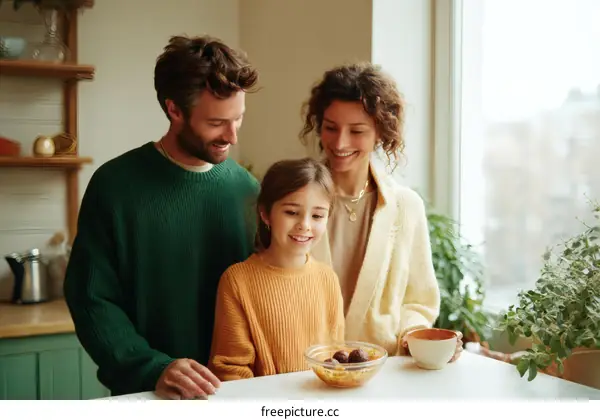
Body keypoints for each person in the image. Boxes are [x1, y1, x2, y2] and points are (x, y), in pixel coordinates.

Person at [63, 35, 260, 400]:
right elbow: (91, 298)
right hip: (149, 396)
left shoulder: (247, 190)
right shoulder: (115, 186)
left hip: (236, 395)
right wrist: (151, 367)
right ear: (174, 110)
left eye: (239, 119)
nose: (231, 136)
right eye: (216, 122)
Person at [299, 62, 463, 361]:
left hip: (380, 371)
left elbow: (418, 301)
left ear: (380, 133)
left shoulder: (405, 206)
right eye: (330, 127)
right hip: (304, 368)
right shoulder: (293, 201)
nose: (340, 142)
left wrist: (415, 336)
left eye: (357, 130)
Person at [208, 158, 345, 381]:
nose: (305, 225)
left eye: (318, 215)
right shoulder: (237, 280)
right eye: (291, 212)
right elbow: (230, 370)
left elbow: (334, 359)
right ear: (265, 214)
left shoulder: (327, 278)